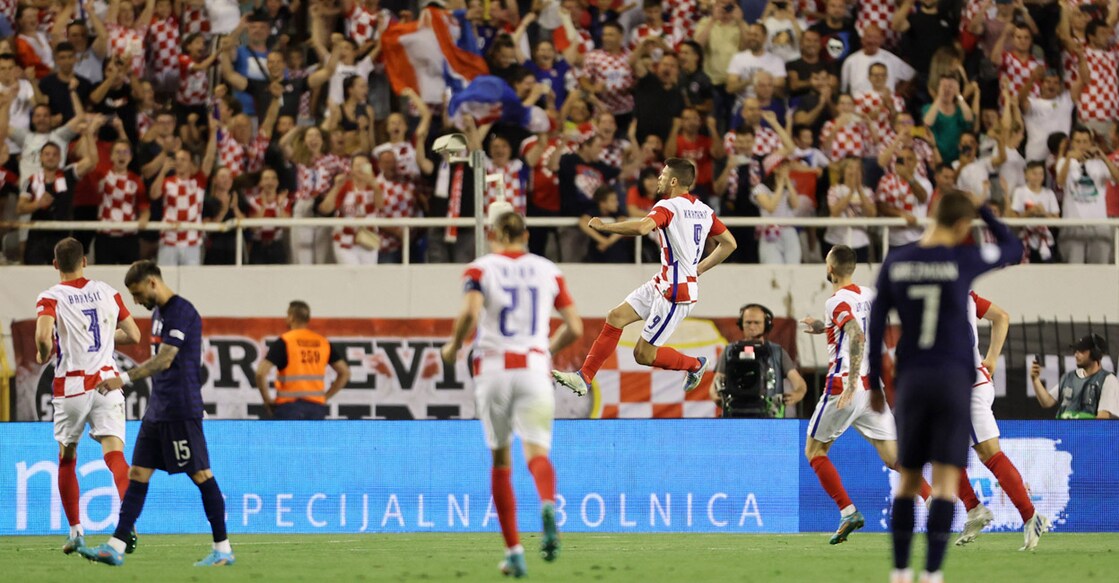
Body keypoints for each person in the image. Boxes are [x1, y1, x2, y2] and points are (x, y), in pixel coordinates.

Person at [867, 190, 1022, 583]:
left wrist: (873, 380)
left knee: (908, 478)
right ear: (962, 225)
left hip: (912, 379)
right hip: (954, 380)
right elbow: (1012, 246)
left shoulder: (897, 261)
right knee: (946, 481)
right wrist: (985, 209)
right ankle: (932, 573)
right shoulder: (961, 260)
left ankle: (901, 570)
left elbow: (877, 325)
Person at [441, 212, 583, 578]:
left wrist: (454, 345)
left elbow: (471, 314)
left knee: (501, 462)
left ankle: (514, 552)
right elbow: (575, 327)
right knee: (537, 454)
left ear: (493, 234)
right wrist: (545, 351)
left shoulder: (480, 268)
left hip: (494, 371)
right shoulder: (549, 270)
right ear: (527, 235)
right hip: (535, 371)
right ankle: (548, 505)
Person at [80, 261, 234, 567]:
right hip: (158, 409)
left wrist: (122, 379)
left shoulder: (182, 311)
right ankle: (116, 546)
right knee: (137, 473)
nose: (136, 301)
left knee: (201, 474)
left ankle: (223, 549)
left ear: (153, 282)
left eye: (137, 294)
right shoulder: (159, 314)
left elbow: (165, 360)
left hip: (180, 409)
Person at [552, 158, 737, 396]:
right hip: (664, 282)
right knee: (616, 316)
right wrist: (699, 269)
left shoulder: (667, 206)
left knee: (643, 355)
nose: (658, 179)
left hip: (675, 294)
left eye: (662, 175)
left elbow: (641, 228)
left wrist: (605, 227)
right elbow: (729, 243)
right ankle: (584, 377)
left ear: (673, 180)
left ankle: (695, 364)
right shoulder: (704, 210)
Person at [800, 245, 931, 545]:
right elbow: (857, 327)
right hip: (872, 388)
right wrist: (822, 328)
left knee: (815, 451)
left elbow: (856, 334)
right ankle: (932, 501)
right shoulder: (869, 296)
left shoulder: (836, 300)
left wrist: (848, 386)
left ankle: (848, 512)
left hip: (844, 384)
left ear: (829, 268)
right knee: (892, 456)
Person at [34, 237, 140, 555]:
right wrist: (106, 341)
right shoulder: (108, 292)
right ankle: (127, 524)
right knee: (115, 456)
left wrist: (42, 354)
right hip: (107, 383)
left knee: (67, 459)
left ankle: (77, 532)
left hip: (71, 387)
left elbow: (42, 336)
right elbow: (134, 334)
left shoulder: (50, 296)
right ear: (85, 261)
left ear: (55, 265)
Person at [953, 292, 1050, 549]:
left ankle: (1030, 516)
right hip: (965, 383)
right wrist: (992, 359)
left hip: (965, 386)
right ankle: (974, 509)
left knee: (990, 454)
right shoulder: (965, 294)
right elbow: (1002, 317)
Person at [255, 301, 351, 420]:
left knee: (286, 439)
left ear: (291, 317)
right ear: (307, 319)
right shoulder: (323, 342)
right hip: (316, 409)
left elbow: (260, 373)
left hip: (288, 408)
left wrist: (267, 401)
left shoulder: (284, 342)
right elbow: (345, 372)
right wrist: (325, 397)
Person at [711, 303, 807, 416]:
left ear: (766, 325)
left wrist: (796, 395)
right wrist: (717, 398)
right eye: (748, 322)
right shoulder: (730, 351)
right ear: (741, 324)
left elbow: (799, 383)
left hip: (770, 416)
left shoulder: (777, 352)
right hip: (735, 414)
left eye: (756, 322)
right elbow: (714, 385)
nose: (752, 327)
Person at [1032, 333, 1119, 419]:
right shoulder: (1068, 377)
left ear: (1095, 353)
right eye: (1076, 351)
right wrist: (1035, 379)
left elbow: (1102, 419)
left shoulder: (1108, 380)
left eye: (1082, 351)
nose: (1076, 355)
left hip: (1087, 432)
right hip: (1062, 431)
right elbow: (1046, 401)